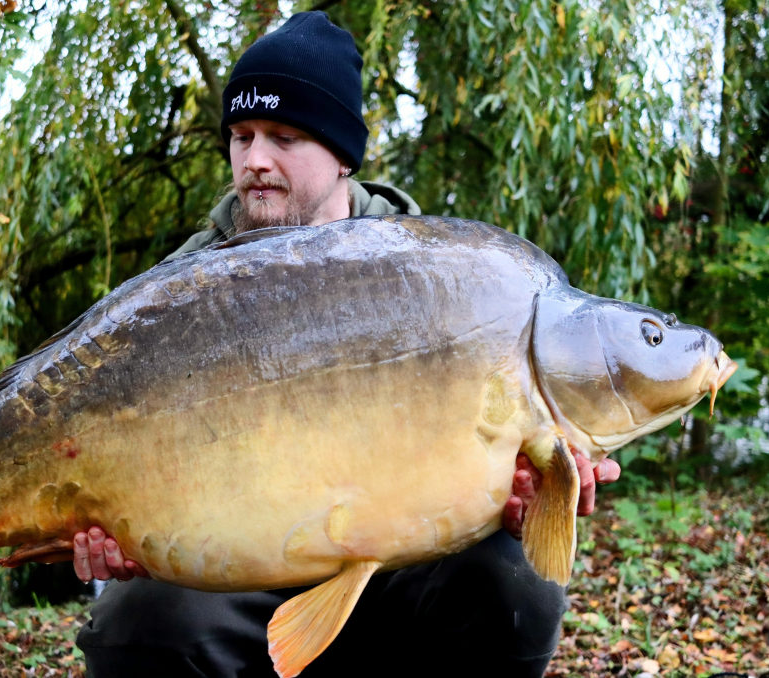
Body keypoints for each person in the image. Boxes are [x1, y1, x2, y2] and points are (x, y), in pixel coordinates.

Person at [72, 11, 621, 677]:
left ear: (341, 155)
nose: (255, 161)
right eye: (241, 136)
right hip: (240, 559)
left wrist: (524, 499)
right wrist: (112, 535)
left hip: (401, 563)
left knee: (515, 587)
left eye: (284, 136)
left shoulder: (443, 277)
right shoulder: (185, 288)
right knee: (138, 620)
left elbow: (497, 464)